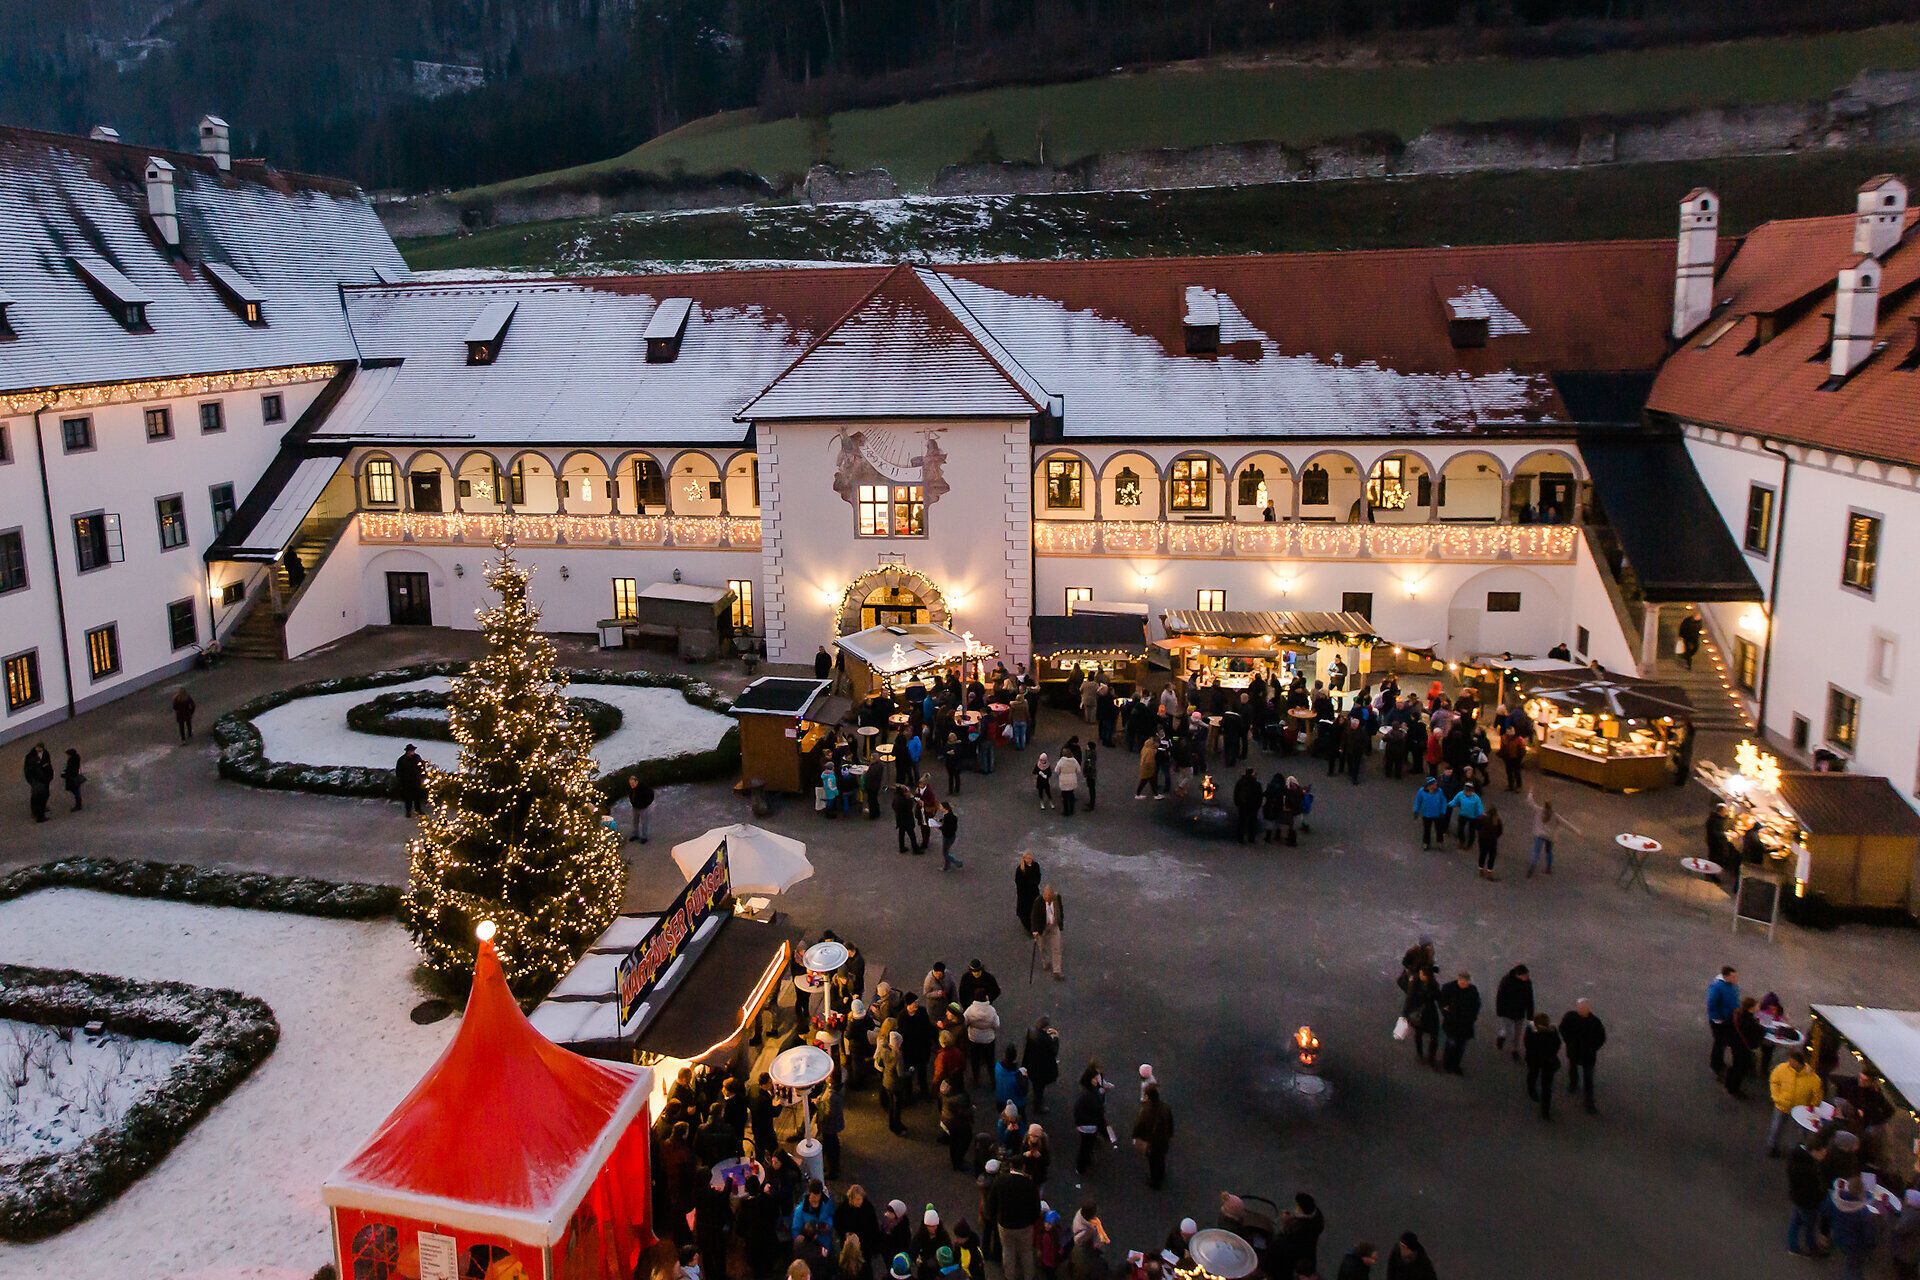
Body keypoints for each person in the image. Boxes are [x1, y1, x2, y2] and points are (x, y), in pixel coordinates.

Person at [1768, 1048, 1824, 1155]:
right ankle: (1772, 1146)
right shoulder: (1782, 1069)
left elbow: (1817, 1095)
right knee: (1776, 1127)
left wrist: (1811, 1107)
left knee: (1802, 1131)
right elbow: (1774, 1081)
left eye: (1792, 1061)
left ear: (1799, 1063)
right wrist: (1776, 1097)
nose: (1789, 1063)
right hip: (1782, 1105)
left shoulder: (1813, 1078)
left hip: (1800, 1109)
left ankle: (1800, 1150)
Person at [995, 1159, 1043, 1280]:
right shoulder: (1030, 1185)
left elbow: (993, 1202)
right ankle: (1029, 1276)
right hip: (1024, 1225)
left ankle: (1009, 1276)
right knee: (1026, 1252)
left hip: (1005, 1224)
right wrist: (1032, 1221)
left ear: (1011, 1166)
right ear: (1023, 1167)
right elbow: (1036, 1208)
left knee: (1008, 1250)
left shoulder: (1001, 1181)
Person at [1786, 1131, 1831, 1257]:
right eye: (1822, 1153)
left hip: (1797, 1198)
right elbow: (1813, 1190)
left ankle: (1793, 1246)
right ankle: (1812, 1249)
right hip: (1807, 1203)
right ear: (1814, 1152)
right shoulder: (1808, 1170)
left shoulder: (1796, 1157)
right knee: (1809, 1227)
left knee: (1795, 1222)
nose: (1824, 1156)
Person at [1829, 1177, 1883, 1280]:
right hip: (1855, 1245)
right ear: (1861, 1191)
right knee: (1853, 1268)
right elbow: (1869, 1236)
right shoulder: (1863, 1213)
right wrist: (1871, 1247)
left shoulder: (1835, 1199)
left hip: (1839, 1236)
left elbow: (1826, 1212)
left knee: (1850, 1263)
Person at [1559, 999, 1606, 1114]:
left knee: (1587, 1077)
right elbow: (1562, 1028)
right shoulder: (1591, 1021)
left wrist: (1593, 1048)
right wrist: (1568, 1041)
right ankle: (1574, 1084)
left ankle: (1588, 1101)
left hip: (1584, 1054)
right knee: (1575, 1069)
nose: (1582, 1010)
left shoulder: (1593, 1022)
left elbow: (1601, 1038)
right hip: (1580, 1053)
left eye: (1584, 1008)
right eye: (1581, 1008)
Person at [1437, 971, 1481, 1075]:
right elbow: (1442, 1002)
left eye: (1466, 982)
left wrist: (1473, 1017)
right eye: (1462, 982)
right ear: (1458, 979)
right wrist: (1446, 1013)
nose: (1464, 984)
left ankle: (1456, 1065)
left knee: (1460, 1047)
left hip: (1465, 1024)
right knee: (1451, 1045)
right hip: (1452, 1023)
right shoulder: (1448, 988)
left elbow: (1476, 1004)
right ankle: (1447, 1064)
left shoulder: (1472, 990)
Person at [1131, 1083, 1174, 1189]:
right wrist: (1170, 1134)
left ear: (1148, 1096)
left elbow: (1139, 1126)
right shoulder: (1165, 1107)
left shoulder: (1146, 1111)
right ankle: (1161, 1174)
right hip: (1164, 1140)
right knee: (1161, 1158)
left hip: (1152, 1142)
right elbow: (1170, 1123)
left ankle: (1155, 1182)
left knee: (1153, 1161)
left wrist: (1136, 1136)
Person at [1072, 1069, 1112, 1175]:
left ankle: (1084, 1163)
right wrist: (1106, 1133)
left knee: (1085, 1145)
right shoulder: (1093, 1096)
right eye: (1095, 1078)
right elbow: (1099, 1115)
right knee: (1086, 1147)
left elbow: (1077, 1110)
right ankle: (1081, 1166)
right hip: (1091, 1126)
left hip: (1083, 1125)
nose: (1098, 1079)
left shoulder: (1084, 1094)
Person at [1523, 1012, 1562, 1120]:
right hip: (1548, 1061)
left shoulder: (1531, 1029)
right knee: (1546, 1086)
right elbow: (1557, 1044)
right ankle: (1545, 1111)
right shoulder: (1552, 1030)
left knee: (1533, 1074)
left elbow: (1527, 1043)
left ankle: (1532, 1090)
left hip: (1534, 1059)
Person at [1725, 994, 1763, 1099]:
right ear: (1751, 1008)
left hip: (1734, 1044)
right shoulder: (1749, 1021)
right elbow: (1755, 1036)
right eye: (1756, 1006)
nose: (1758, 1007)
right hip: (1742, 1048)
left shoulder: (1736, 1014)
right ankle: (1734, 1089)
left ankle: (1728, 1084)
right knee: (1741, 1068)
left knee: (1735, 1065)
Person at [1402, 966, 1441, 1069]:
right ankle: (1421, 1055)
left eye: (1422, 974)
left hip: (1428, 1013)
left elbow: (1438, 996)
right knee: (1419, 1034)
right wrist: (1405, 1014)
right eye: (1420, 973)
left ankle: (1430, 1058)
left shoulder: (1433, 984)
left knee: (1433, 1036)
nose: (1420, 975)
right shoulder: (1415, 982)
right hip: (1420, 1012)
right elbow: (1409, 998)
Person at [1707, 965, 1742, 1078]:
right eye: (1733, 977)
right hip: (1720, 1020)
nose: (1736, 979)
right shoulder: (1717, 987)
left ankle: (1719, 1063)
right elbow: (1712, 1003)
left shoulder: (1730, 984)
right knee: (1719, 1043)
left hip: (1728, 1017)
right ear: (1726, 977)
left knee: (1723, 1041)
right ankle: (1716, 1065)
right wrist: (1719, 1017)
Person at [1494, 965, 1533, 1059]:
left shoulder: (1527, 982)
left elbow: (1530, 998)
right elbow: (1500, 997)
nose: (1527, 977)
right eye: (1525, 975)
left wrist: (1530, 1015)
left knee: (1517, 1034)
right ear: (1518, 975)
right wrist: (1500, 1011)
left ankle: (1514, 1049)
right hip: (1507, 1013)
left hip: (1520, 1013)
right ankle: (1513, 1049)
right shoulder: (1506, 981)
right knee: (1511, 1033)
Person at [1024, 1016, 1061, 1114]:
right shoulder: (1047, 1040)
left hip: (1032, 1066)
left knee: (1036, 1086)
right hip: (1042, 1071)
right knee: (1040, 1088)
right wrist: (1056, 1038)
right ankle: (1037, 1107)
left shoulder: (1031, 1032)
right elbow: (1054, 1051)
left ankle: (1036, 1099)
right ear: (1045, 1027)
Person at [940, 1078, 976, 1171]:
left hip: (947, 1119)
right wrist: (972, 1110)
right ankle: (958, 1161)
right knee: (966, 1139)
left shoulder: (944, 1091)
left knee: (954, 1140)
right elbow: (963, 1112)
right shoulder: (958, 1098)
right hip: (958, 1122)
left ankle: (955, 1161)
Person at [964, 995, 1000, 1087]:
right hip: (988, 1039)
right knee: (990, 1060)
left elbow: (965, 1021)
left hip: (974, 1038)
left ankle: (976, 1079)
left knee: (975, 1060)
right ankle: (992, 1079)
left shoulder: (970, 1010)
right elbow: (996, 1025)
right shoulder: (991, 1010)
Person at [1030, 886, 1065, 981]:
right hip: (1042, 927)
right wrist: (1035, 930)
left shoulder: (1057, 898)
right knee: (1042, 946)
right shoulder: (1038, 902)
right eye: (1046, 898)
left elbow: (1060, 910)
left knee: (1057, 948)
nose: (1048, 900)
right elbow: (1034, 916)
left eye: (1050, 898)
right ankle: (1045, 960)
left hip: (1054, 926)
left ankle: (1057, 971)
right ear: (1043, 895)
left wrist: (1060, 923)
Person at [1412, 778, 1448, 850]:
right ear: (1429, 785)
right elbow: (1418, 801)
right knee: (1427, 830)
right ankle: (1426, 843)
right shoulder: (1421, 791)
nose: (1436, 785)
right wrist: (1416, 811)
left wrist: (1443, 811)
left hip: (1438, 814)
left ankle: (1440, 842)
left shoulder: (1439, 791)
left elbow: (1444, 801)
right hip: (1426, 814)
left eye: (1436, 783)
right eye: (1434, 784)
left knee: (1439, 829)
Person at [24, 741, 54, 822]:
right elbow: (27, 771)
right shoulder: (30, 756)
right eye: (37, 747)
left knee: (46, 794)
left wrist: (50, 776)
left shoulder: (46, 753)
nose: (38, 749)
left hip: (45, 778)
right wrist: (31, 781)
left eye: (40, 748)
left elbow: (48, 764)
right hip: (36, 781)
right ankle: (35, 812)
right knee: (36, 796)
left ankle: (42, 808)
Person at [394, 744, 427, 818]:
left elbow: (422, 767)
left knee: (417, 796)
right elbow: (398, 771)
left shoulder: (417, 757)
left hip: (416, 780)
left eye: (413, 751)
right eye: (411, 751)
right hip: (406, 781)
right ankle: (408, 811)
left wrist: (423, 776)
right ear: (407, 751)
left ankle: (418, 809)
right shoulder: (402, 760)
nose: (412, 752)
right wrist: (400, 781)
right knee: (408, 797)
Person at [1232, 767, 1263, 844]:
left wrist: (1237, 803)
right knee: (1252, 823)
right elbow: (1260, 796)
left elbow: (1236, 793)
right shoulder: (1256, 784)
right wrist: (1258, 806)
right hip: (1253, 806)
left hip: (1242, 805)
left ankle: (1240, 838)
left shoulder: (1240, 782)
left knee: (1241, 822)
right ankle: (1251, 838)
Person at [1527, 799, 1558, 877]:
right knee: (1548, 852)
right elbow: (1566, 823)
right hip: (1549, 837)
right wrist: (1577, 831)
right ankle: (1548, 869)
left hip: (1540, 835)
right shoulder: (1554, 815)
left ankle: (1533, 865)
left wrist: (1530, 794)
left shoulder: (1540, 810)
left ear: (1544, 806)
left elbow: (1531, 803)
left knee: (1536, 851)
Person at [894, 785, 924, 855]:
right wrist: (910, 798)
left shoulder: (897, 798)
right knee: (912, 835)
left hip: (900, 819)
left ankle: (902, 847)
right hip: (907, 820)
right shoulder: (905, 800)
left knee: (901, 834)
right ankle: (915, 849)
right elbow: (909, 808)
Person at [1475, 802, 1503, 878]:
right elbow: (1500, 831)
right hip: (1492, 841)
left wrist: (1480, 834)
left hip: (1483, 839)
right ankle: (1489, 871)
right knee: (1492, 856)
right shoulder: (1497, 820)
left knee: (1482, 854)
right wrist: (1495, 836)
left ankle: (1481, 869)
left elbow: (1477, 827)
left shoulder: (1482, 818)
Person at [626, 773, 655, 843]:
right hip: (635, 807)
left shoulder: (644, 788)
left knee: (644, 822)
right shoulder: (632, 788)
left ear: (636, 781)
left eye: (633, 784)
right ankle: (635, 834)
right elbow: (630, 795)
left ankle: (644, 837)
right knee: (635, 822)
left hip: (643, 808)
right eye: (630, 784)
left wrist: (646, 804)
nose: (632, 785)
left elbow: (651, 795)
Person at [1053, 751, 1082, 817]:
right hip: (1072, 780)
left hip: (1064, 781)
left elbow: (1056, 770)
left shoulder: (1061, 761)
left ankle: (1066, 811)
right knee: (1071, 795)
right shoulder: (1074, 761)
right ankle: (1072, 810)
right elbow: (1078, 770)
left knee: (1065, 797)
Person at [938, 801, 963, 871]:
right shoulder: (949, 815)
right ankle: (946, 866)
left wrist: (939, 827)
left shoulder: (947, 817)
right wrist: (939, 820)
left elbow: (947, 828)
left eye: (940, 807)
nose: (939, 808)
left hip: (948, 837)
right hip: (951, 836)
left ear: (945, 808)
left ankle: (957, 862)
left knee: (945, 853)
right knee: (946, 851)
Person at [60, 747, 85, 812]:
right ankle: (79, 804)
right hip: (75, 777)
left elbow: (70, 771)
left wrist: (64, 774)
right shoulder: (76, 758)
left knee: (76, 791)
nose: (67, 756)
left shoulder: (72, 761)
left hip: (72, 778)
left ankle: (78, 805)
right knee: (77, 791)